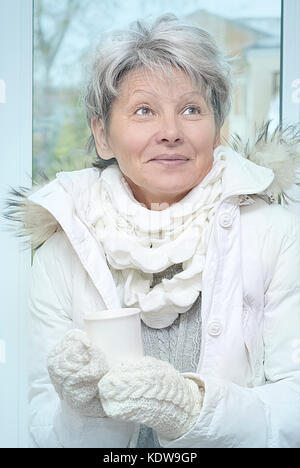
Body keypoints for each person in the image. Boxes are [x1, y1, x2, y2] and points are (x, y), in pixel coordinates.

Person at [6, 14, 300, 448]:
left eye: (191, 109)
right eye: (144, 110)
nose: (170, 132)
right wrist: (84, 411)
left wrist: (194, 409)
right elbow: (45, 430)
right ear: (102, 134)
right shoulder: (63, 249)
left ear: (218, 131)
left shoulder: (277, 235)